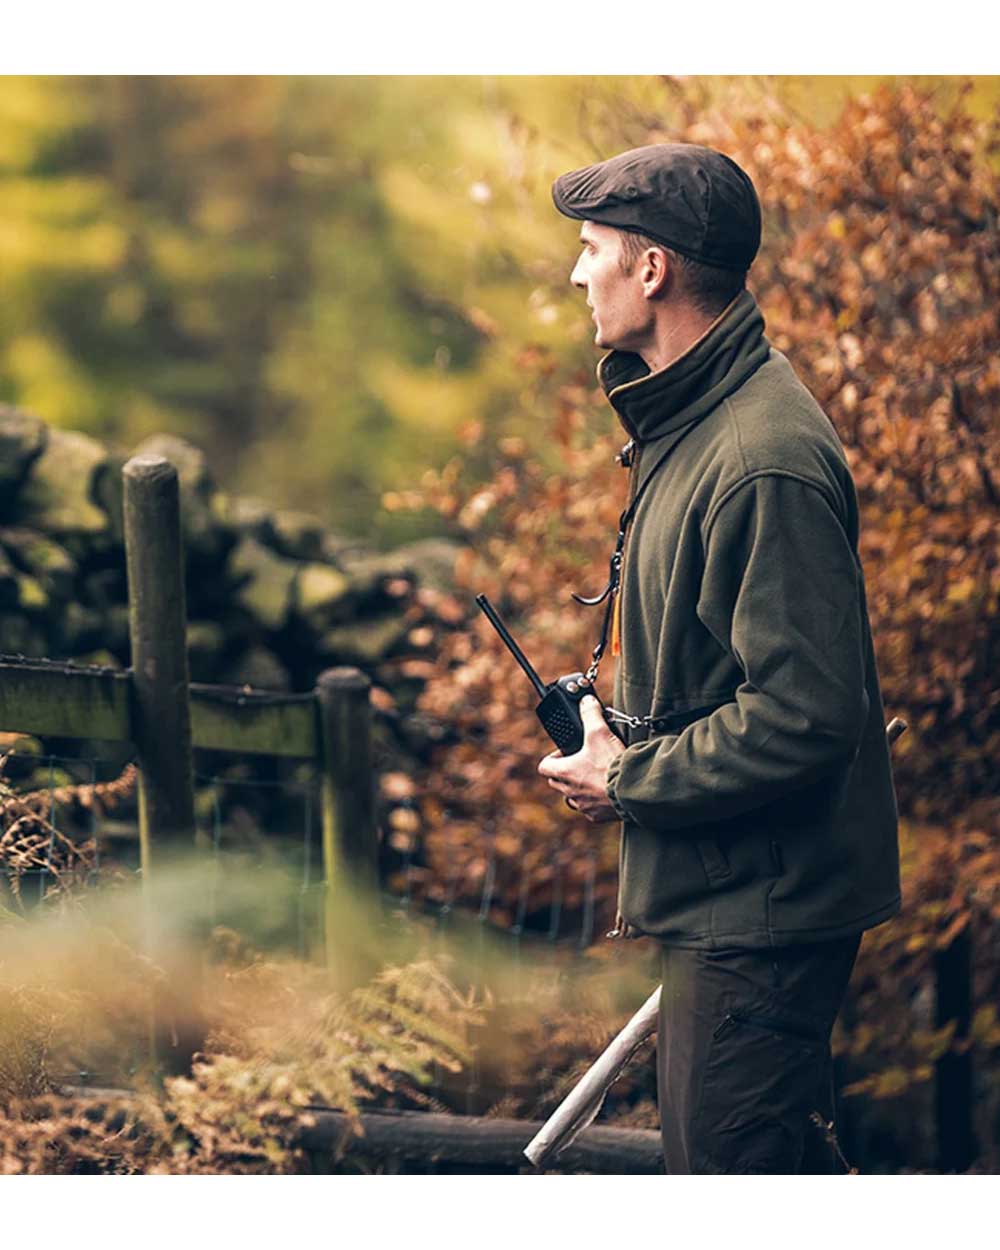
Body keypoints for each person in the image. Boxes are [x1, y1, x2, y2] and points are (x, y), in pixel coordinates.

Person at [537, 143, 901, 1174]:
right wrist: (617, 728)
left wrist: (631, 776)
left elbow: (804, 713)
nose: (576, 273)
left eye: (589, 248)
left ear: (649, 269)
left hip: (760, 921)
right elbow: (725, 671)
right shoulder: (693, 417)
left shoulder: (757, 456)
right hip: (729, 896)